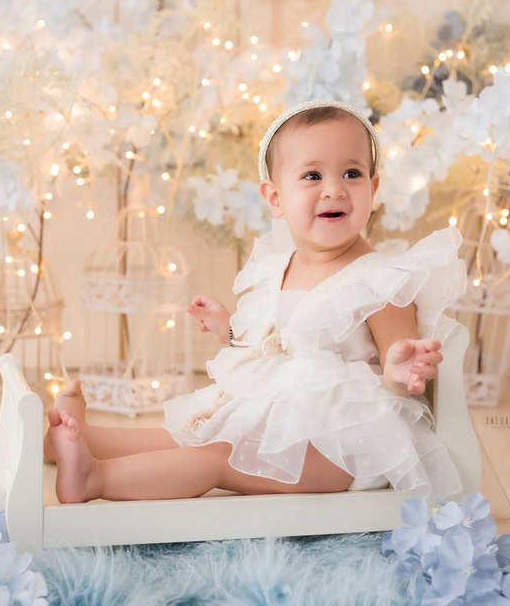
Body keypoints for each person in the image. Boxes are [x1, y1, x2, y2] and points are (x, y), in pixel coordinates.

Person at [45, 99, 468, 506]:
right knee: (194, 431)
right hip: (282, 417)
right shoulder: (280, 265)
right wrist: (231, 331)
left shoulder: (379, 282)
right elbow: (278, 345)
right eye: (313, 176)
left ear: (373, 188)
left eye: (352, 173)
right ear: (275, 198)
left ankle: (94, 477)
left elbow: (400, 374)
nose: (334, 190)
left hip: (341, 446)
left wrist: (401, 370)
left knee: (218, 457)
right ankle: (79, 438)